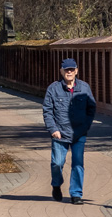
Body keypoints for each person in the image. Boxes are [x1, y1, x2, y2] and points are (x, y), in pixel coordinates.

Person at [41, 57, 97, 204]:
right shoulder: (53, 88)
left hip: (79, 133)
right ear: (61, 71)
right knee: (57, 163)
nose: (69, 72)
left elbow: (91, 108)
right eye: (66, 70)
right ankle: (56, 184)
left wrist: (86, 126)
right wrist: (53, 129)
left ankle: (76, 194)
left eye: (72, 69)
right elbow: (47, 110)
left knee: (78, 164)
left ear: (77, 71)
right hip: (60, 133)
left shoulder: (84, 88)